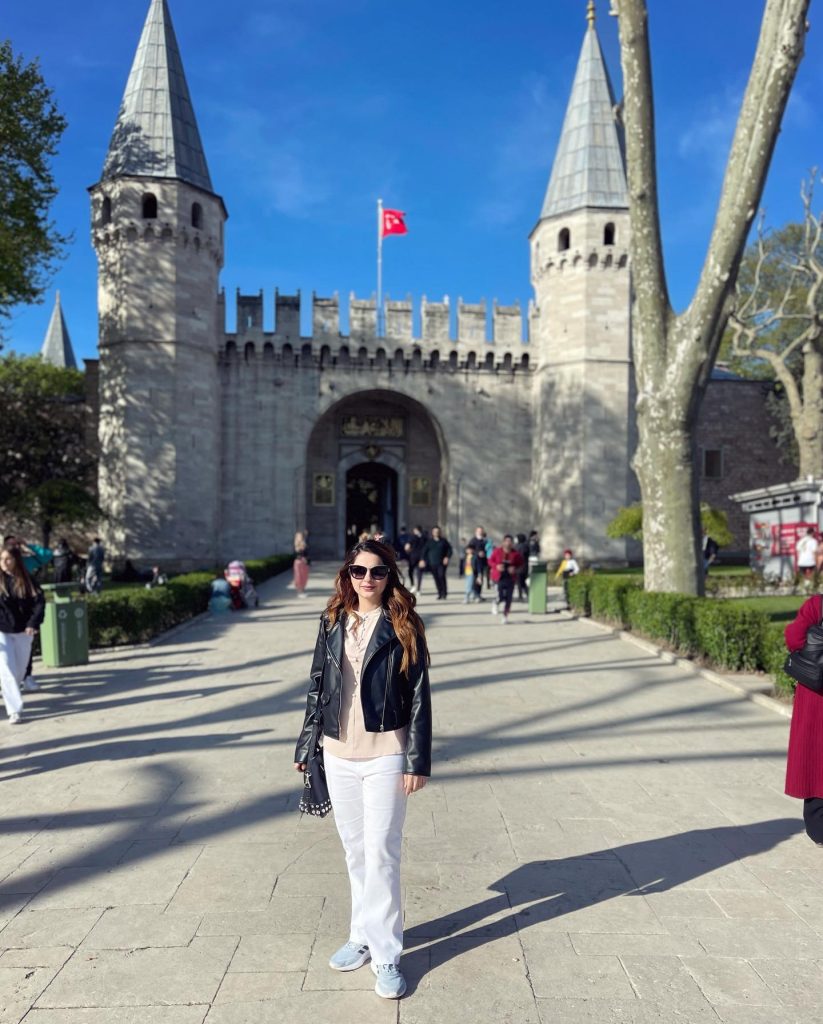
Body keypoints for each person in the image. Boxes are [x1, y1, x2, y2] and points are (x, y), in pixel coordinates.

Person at [294, 539, 432, 1000]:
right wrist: (307, 741)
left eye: (377, 572)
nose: (367, 580)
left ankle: (388, 952)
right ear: (346, 574)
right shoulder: (332, 620)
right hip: (337, 752)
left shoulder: (402, 623)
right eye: (358, 571)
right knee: (355, 851)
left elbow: (418, 695)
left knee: (382, 852)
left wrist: (417, 759)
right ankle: (361, 936)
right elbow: (317, 684)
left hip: (386, 752)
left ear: (390, 576)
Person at [785, 592, 823, 844]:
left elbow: (793, 637)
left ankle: (819, 828)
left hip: (815, 696)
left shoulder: (817, 605)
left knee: (815, 757)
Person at [0, 545, 45, 724]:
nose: (4, 563)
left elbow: (39, 603)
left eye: (7, 559)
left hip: (23, 631)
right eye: (1, 559)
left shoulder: (27, 581)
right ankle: (14, 710)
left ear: (16, 560)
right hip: (2, 630)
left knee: (18, 671)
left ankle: (9, 690)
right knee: (7, 669)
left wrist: (33, 623)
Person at [489, 535, 525, 624]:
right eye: (506, 541)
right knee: (501, 596)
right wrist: (496, 566)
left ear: (512, 543)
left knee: (509, 598)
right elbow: (490, 561)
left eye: (510, 542)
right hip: (499, 577)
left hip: (510, 578)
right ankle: (496, 603)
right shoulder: (497, 551)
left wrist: (515, 570)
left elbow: (521, 565)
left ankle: (505, 616)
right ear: (503, 542)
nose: (508, 543)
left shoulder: (516, 554)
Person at [420, 526, 452, 600]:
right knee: (436, 578)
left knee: (441, 576)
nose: (436, 533)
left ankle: (444, 593)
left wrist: (447, 557)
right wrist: (422, 560)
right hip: (432, 563)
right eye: (435, 532)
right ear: (433, 533)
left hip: (442, 563)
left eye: (438, 531)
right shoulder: (429, 542)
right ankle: (440, 593)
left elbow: (449, 550)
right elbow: (424, 552)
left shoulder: (444, 541)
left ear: (440, 532)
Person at [466, 527, 488, 602]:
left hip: (482, 562)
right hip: (474, 562)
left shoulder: (484, 540)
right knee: (474, 578)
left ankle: (478, 594)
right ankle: (474, 594)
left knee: (480, 578)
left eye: (481, 531)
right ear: (476, 532)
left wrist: (484, 553)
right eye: (479, 531)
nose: (480, 532)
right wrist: (477, 553)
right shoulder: (473, 540)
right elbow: (469, 550)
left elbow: (487, 550)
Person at [406, 526, 427, 595]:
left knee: (410, 571)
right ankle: (418, 589)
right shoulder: (425, 537)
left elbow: (407, 547)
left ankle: (413, 586)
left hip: (413, 557)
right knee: (419, 573)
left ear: (416, 530)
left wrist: (407, 550)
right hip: (421, 558)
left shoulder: (412, 537)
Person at [294, 531, 310, 598]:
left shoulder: (304, 543)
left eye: (301, 536)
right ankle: (299, 592)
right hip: (299, 562)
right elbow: (298, 553)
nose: (301, 537)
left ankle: (302, 591)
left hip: (304, 563)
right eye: (299, 536)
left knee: (304, 577)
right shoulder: (297, 545)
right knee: (299, 577)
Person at [515, 533, 530, 601]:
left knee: (520, 582)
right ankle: (527, 594)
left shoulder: (521, 547)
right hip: (523, 566)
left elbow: (520, 556)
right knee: (522, 582)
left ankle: (520, 596)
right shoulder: (525, 546)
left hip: (520, 567)